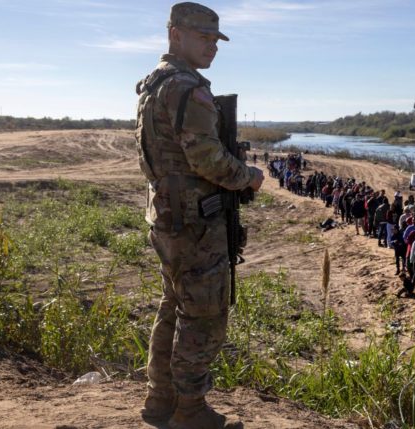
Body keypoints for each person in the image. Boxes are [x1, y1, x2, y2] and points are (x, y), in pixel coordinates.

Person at [135, 3, 264, 428]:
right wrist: (247, 176)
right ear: (175, 35)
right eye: (203, 37)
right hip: (193, 220)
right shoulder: (188, 89)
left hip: (168, 214)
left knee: (173, 305)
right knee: (203, 314)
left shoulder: (154, 84)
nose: (212, 46)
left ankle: (160, 400)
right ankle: (189, 410)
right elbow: (207, 159)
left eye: (215, 40)